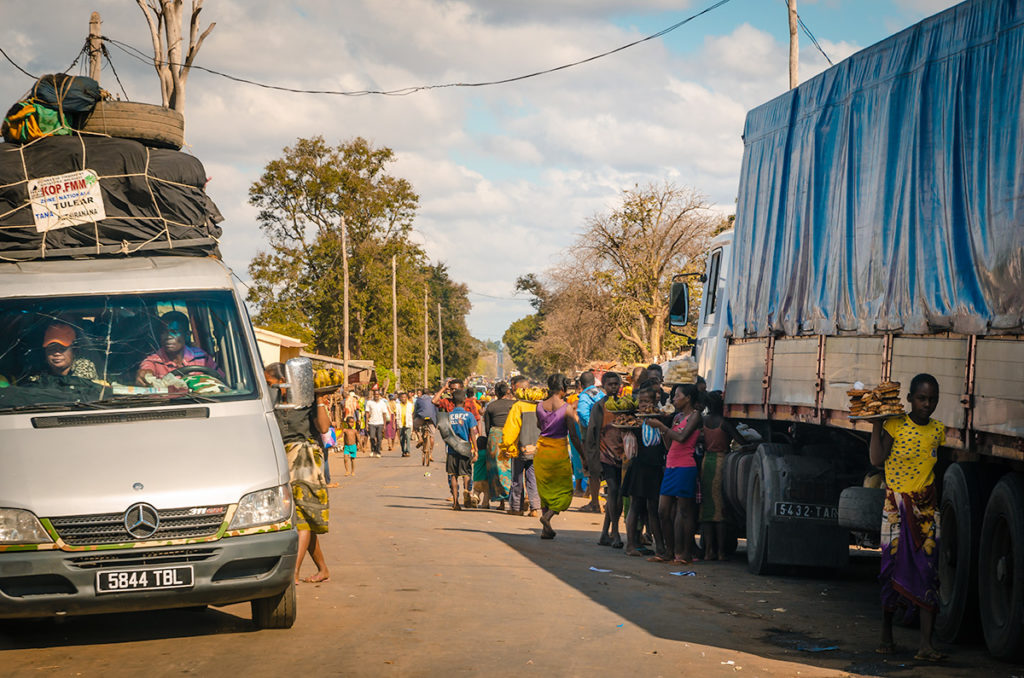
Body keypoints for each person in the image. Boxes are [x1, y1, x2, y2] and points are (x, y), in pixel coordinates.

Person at [870, 373, 946, 662]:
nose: (927, 404)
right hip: (896, 509)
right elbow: (877, 461)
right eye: (922, 398)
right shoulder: (895, 425)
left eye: (932, 399)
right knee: (890, 571)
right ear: (910, 399)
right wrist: (877, 425)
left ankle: (926, 645)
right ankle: (886, 635)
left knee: (928, 573)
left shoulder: (939, 431)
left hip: (927, 512)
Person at [265, 362, 330, 584]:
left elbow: (323, 428)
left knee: (301, 519)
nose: (268, 388)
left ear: (283, 383)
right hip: (281, 460)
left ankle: (293, 572)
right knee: (301, 520)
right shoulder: (272, 404)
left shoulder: (305, 402)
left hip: (304, 460)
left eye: (270, 383)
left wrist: (319, 399)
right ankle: (323, 569)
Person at [647, 383, 703, 564]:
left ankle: (683, 553)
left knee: (682, 513)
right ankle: (668, 551)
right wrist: (662, 429)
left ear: (688, 398)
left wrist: (662, 427)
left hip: (685, 467)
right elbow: (670, 445)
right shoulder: (677, 417)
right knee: (663, 511)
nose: (673, 399)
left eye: (677, 396)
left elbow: (681, 437)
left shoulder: (695, 416)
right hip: (671, 465)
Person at [533, 374, 584, 539]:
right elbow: (574, 437)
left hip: (541, 452)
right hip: (558, 453)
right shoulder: (567, 408)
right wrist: (584, 456)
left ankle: (545, 530)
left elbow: (539, 425)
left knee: (545, 490)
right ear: (563, 388)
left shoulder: (539, 406)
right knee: (564, 491)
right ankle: (548, 517)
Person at [622, 384, 668, 557]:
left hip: (655, 468)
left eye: (647, 402)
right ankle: (631, 544)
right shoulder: (635, 421)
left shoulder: (659, 420)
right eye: (641, 402)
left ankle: (661, 547)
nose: (643, 405)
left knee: (653, 509)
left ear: (655, 402)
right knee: (635, 506)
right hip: (639, 468)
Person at [698, 391, 743, 560]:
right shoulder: (724, 423)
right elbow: (741, 440)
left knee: (707, 510)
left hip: (706, 462)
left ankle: (709, 550)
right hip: (722, 462)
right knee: (721, 511)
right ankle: (721, 552)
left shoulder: (704, 421)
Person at [584, 371, 626, 547]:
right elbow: (592, 433)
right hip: (605, 455)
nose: (614, 387)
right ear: (604, 387)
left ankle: (604, 533)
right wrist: (591, 460)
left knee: (617, 495)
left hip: (622, 456)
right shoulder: (599, 406)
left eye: (616, 384)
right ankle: (615, 532)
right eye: (610, 384)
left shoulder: (624, 405)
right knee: (614, 491)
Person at [136, 311, 220, 385]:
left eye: (174, 332)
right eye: (163, 332)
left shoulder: (201, 357)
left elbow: (220, 378)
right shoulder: (153, 361)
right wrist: (145, 375)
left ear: (186, 335)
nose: (168, 337)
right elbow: (146, 370)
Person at [501, 375, 542, 517]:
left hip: (520, 448)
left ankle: (517, 508)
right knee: (533, 479)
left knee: (517, 479)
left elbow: (511, 430)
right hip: (536, 449)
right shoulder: (539, 406)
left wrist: (506, 446)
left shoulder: (517, 406)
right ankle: (535, 508)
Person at [482, 381, 515, 510]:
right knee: (512, 467)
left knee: (496, 469)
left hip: (495, 438)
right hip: (511, 435)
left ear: (495, 393)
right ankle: (516, 498)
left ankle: (501, 502)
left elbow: (487, 427)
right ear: (507, 392)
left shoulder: (491, 407)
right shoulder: (514, 405)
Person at [445, 389, 478, 510]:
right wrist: (476, 449)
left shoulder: (448, 416)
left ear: (452, 402)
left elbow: (445, 434)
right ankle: (466, 491)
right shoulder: (469, 415)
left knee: (453, 475)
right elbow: (473, 433)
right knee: (466, 473)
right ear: (464, 401)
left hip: (452, 449)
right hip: (465, 448)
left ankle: (455, 503)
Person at [576, 370, 604, 510]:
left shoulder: (584, 397)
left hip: (590, 437)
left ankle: (594, 503)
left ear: (581, 384)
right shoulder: (600, 393)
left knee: (593, 470)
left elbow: (581, 412)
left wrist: (590, 426)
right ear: (594, 382)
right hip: (604, 436)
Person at [414, 387, 438, 465]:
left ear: (422, 393)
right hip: (431, 418)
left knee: (415, 426)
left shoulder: (418, 399)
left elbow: (415, 411)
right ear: (429, 393)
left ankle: (420, 438)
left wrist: (414, 417)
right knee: (432, 436)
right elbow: (436, 410)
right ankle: (430, 453)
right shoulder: (433, 399)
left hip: (421, 417)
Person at [365, 389, 388, 457]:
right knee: (372, 437)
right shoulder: (369, 402)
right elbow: (367, 414)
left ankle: (378, 451)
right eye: (375, 394)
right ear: (373, 395)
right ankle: (372, 450)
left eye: (377, 394)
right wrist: (366, 424)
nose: (376, 396)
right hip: (371, 423)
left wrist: (384, 425)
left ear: (379, 395)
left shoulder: (382, 403)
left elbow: (384, 414)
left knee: (379, 438)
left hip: (380, 423)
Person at [396, 391, 415, 457]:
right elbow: (396, 415)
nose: (403, 398)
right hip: (400, 424)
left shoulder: (410, 405)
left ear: (407, 397)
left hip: (408, 423)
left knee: (408, 437)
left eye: (404, 397)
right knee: (402, 438)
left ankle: (408, 451)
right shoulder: (398, 405)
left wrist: (413, 424)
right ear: (400, 398)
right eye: (402, 397)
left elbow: (412, 414)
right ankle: (403, 451)